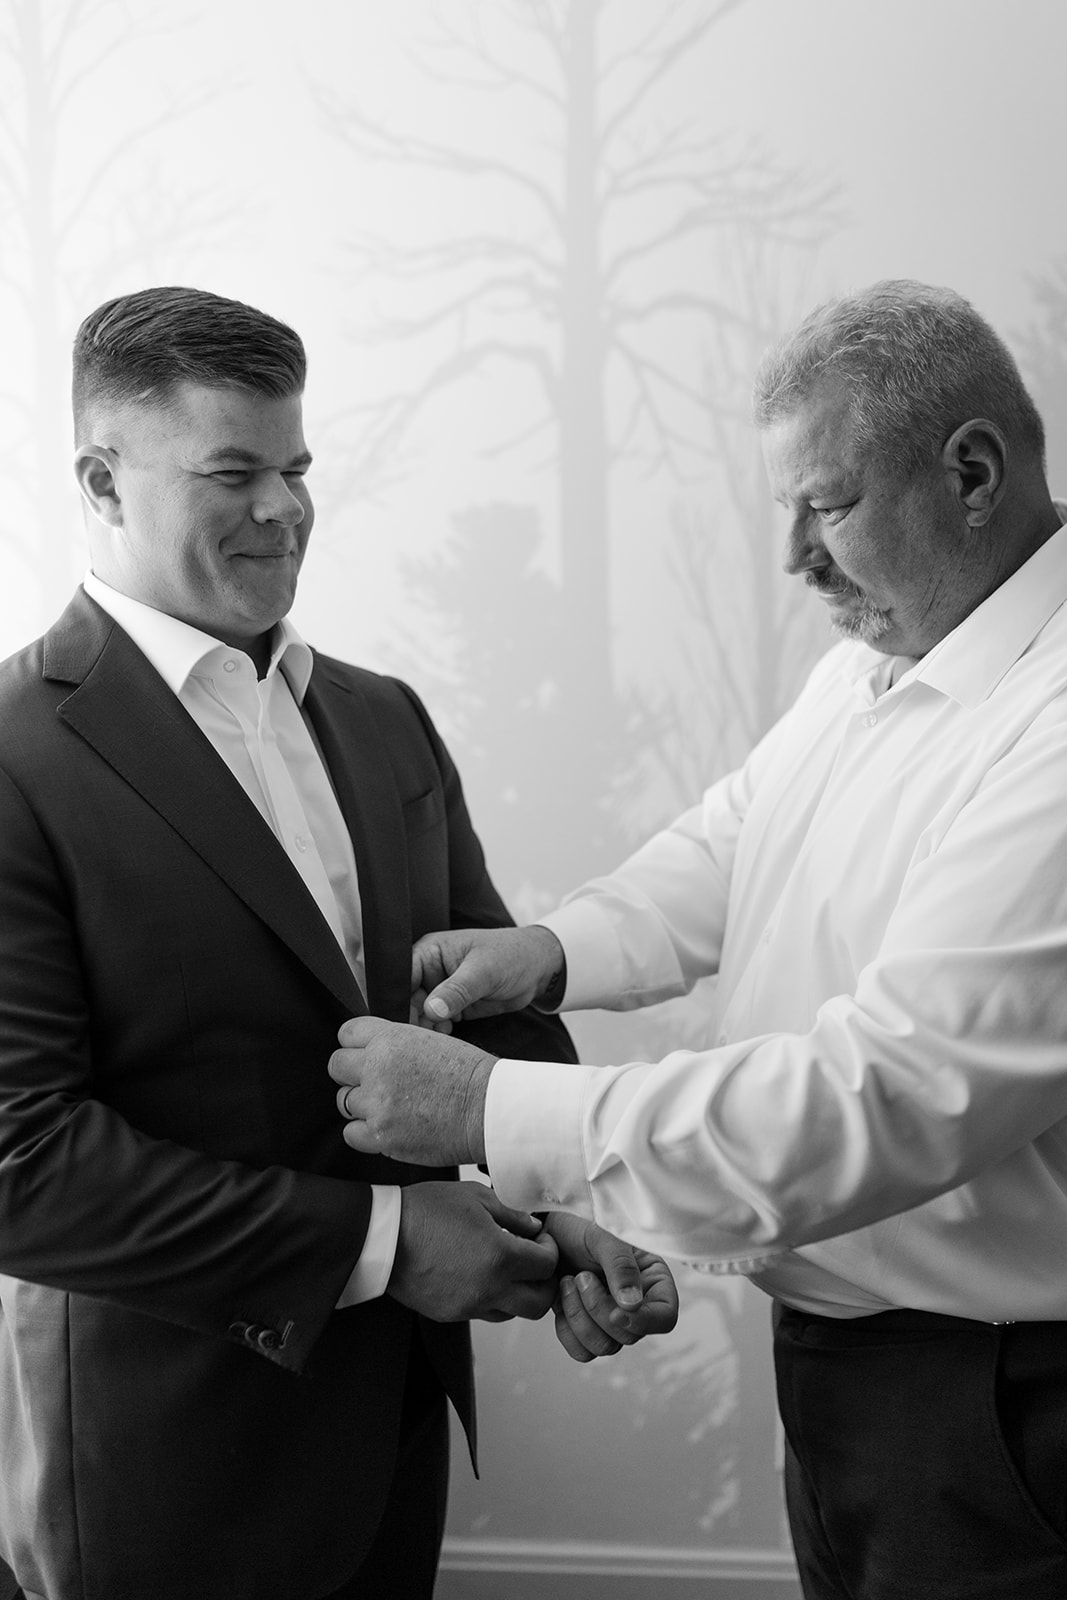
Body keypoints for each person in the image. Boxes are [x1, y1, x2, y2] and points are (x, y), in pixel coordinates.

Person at [328, 279, 1067, 1600]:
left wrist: (494, 1110)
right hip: (862, 1375)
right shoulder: (884, 656)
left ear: (972, 472)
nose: (796, 560)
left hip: (1000, 1406)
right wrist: (558, 949)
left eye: (826, 504)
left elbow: (890, 1092)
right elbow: (739, 841)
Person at [0, 285, 678, 1600]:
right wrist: (383, 1243)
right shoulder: (15, 757)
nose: (284, 510)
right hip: (164, 1478)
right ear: (100, 478)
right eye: (234, 473)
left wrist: (563, 1209)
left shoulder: (385, 722)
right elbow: (19, 1164)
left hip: (392, 1447)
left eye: (297, 468)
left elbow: (480, 1019)